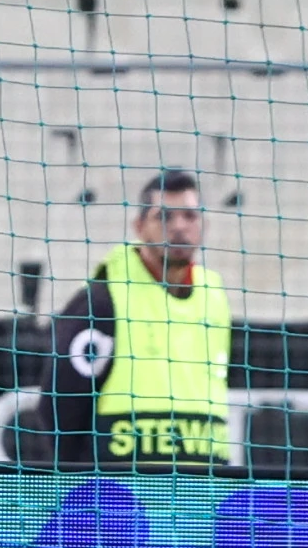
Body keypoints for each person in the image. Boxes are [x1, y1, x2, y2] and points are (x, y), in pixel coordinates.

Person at [34, 170, 235, 467]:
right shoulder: (103, 299)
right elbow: (59, 402)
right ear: (139, 226)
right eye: (164, 216)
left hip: (201, 490)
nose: (179, 227)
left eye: (190, 216)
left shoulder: (215, 296)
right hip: (121, 495)